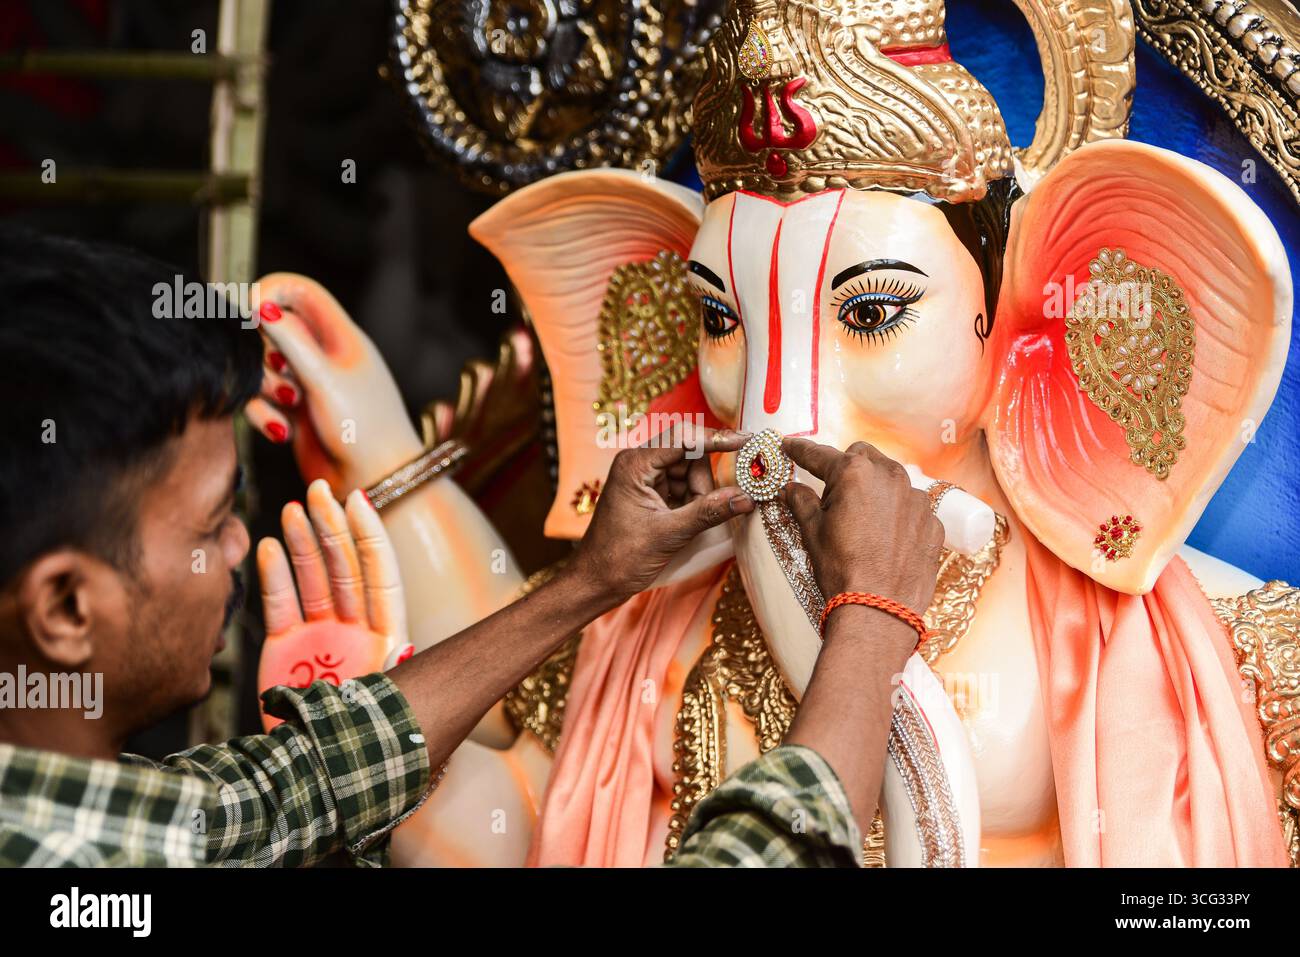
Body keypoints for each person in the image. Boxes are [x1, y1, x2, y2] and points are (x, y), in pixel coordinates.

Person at [0, 227, 942, 866]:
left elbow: (290, 792)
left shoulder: (112, 818)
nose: (243, 543)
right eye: (213, 523)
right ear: (66, 607)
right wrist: (871, 623)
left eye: (871, 312)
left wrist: (591, 581)